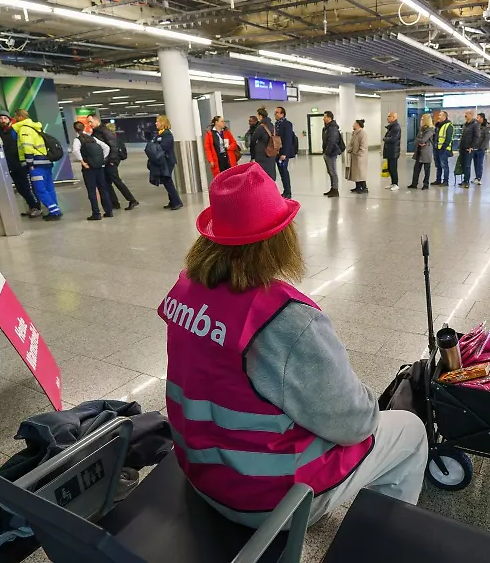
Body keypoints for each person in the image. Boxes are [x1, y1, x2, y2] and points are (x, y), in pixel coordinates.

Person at [161, 163, 428, 529]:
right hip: (264, 501)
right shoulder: (284, 319)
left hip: (200, 472)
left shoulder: (185, 290)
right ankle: (381, 542)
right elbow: (357, 423)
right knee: (410, 431)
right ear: (280, 239)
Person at [13, 109, 61, 220]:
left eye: (16, 116)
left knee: (39, 190)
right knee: (49, 188)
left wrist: (29, 164)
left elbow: (27, 146)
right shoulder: (36, 127)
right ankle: (56, 209)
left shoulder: (24, 129)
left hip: (36, 163)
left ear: (20, 117)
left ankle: (54, 212)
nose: (15, 119)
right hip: (46, 161)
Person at [87, 114, 138, 211]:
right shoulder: (96, 132)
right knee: (107, 183)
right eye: (88, 122)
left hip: (110, 162)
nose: (89, 124)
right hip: (104, 162)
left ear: (96, 120)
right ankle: (115, 203)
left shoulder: (105, 131)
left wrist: (111, 160)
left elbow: (113, 146)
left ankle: (132, 200)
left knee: (116, 181)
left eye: (91, 122)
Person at [0, 111, 40, 217]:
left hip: (21, 162)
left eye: (5, 118)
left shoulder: (15, 129)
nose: (3, 120)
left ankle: (36, 207)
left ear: (9, 119)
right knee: (20, 188)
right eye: (1, 118)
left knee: (27, 186)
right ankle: (32, 206)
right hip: (10, 163)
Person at [71, 121, 112, 221]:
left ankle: (96, 213)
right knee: (103, 189)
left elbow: (75, 150)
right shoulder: (92, 138)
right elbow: (106, 147)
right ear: (84, 128)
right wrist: (102, 160)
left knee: (92, 191)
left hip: (89, 169)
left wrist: (82, 162)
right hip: (99, 167)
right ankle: (109, 211)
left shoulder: (78, 140)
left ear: (75, 129)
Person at [147, 115, 184, 211]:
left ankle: (177, 202)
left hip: (167, 161)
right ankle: (172, 201)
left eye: (157, 121)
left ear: (163, 122)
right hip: (162, 161)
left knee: (167, 181)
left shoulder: (167, 134)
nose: (156, 123)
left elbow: (164, 147)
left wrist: (155, 147)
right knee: (166, 181)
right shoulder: (159, 134)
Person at [250, 107, 278, 180]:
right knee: (271, 172)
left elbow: (253, 140)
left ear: (260, 116)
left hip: (262, 154)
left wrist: (253, 155)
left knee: (262, 174)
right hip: (272, 153)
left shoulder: (261, 127)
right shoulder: (273, 126)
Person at [409, 113, 435, 190]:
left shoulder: (430, 130)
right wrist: (419, 141)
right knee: (416, 169)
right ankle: (414, 183)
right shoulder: (421, 129)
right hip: (419, 151)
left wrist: (420, 141)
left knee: (427, 170)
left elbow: (424, 139)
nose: (421, 121)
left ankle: (425, 184)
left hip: (426, 152)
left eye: (422, 119)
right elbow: (416, 139)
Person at [274, 106, 295, 199]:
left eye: (277, 112)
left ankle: (288, 192)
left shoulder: (287, 124)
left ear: (282, 114)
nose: (275, 114)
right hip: (277, 152)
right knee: (281, 172)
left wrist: (284, 154)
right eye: (275, 112)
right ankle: (285, 191)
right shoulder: (276, 124)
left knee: (284, 172)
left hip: (283, 153)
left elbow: (287, 139)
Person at [321, 111, 343, 198]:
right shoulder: (326, 128)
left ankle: (335, 190)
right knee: (330, 171)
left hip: (331, 153)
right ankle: (332, 188)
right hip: (327, 152)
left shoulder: (332, 128)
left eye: (325, 117)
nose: (323, 118)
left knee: (333, 171)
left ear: (329, 118)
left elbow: (332, 141)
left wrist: (327, 152)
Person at [458, 110, 482, 188]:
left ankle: (466, 182)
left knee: (467, 165)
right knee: (464, 164)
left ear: (471, 115)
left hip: (469, 148)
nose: (465, 115)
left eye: (467, 114)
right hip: (462, 147)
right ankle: (464, 180)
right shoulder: (465, 124)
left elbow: (477, 136)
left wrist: (472, 147)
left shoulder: (475, 124)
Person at [432, 111, 454, 186]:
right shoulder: (438, 125)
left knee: (444, 165)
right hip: (436, 148)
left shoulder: (449, 126)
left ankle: (445, 181)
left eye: (440, 115)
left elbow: (448, 138)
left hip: (444, 149)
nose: (439, 116)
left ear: (444, 116)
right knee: (438, 165)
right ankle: (438, 180)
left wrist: (443, 147)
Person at [347, 120, 369, 194]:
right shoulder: (354, 133)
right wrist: (350, 149)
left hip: (360, 157)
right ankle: (358, 187)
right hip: (354, 155)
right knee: (356, 173)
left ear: (358, 125)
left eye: (354, 123)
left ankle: (364, 187)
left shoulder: (362, 134)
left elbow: (364, 145)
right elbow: (351, 143)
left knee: (360, 172)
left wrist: (359, 153)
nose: (353, 125)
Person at [383, 111, 402, 191]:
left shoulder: (396, 127)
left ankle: (396, 183)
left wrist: (385, 139)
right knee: (390, 168)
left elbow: (394, 139)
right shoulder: (391, 127)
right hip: (389, 151)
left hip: (393, 151)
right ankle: (393, 183)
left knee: (393, 168)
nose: (387, 117)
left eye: (389, 116)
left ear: (393, 118)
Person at [475, 113, 490, 184]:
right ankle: (476, 177)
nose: (477, 119)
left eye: (478, 117)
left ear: (482, 118)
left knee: (479, 163)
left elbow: (486, 138)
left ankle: (479, 178)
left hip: (481, 149)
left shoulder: (486, 126)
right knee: (475, 163)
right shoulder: (476, 125)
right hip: (474, 148)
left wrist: (482, 147)